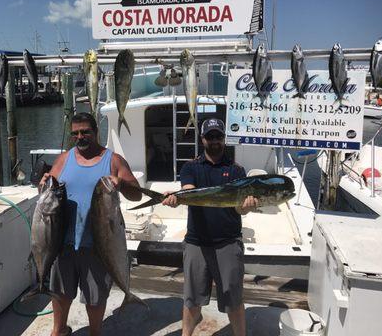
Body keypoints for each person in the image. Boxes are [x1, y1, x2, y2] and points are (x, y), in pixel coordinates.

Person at [39, 112, 142, 336]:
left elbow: (137, 195)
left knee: (95, 297)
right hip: (63, 241)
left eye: (85, 131)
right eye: (75, 133)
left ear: (96, 132)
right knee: (60, 292)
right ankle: (59, 330)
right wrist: (44, 184)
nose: (80, 137)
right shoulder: (64, 159)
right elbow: (48, 189)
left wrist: (122, 183)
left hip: (99, 244)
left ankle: (95, 332)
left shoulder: (113, 160)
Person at [162, 118, 258, 336]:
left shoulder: (236, 171)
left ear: (224, 139)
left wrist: (247, 207)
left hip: (228, 242)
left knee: (234, 299)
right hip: (197, 242)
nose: (215, 141)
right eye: (210, 137)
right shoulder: (190, 167)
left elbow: (239, 210)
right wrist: (177, 197)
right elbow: (189, 190)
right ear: (202, 139)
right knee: (192, 299)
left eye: (218, 137)